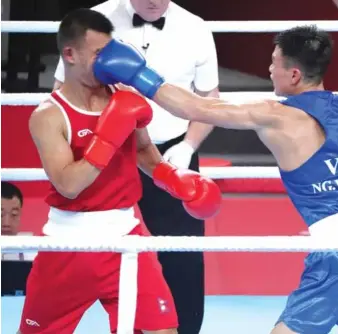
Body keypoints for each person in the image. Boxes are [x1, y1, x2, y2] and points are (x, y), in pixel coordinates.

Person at [92, 24, 338, 334]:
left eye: (275, 62)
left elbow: (194, 109)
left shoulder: (273, 115)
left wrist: (138, 74)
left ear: (295, 74)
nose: (270, 69)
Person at [18, 8, 220, 334]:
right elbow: (68, 184)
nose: (108, 61)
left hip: (126, 235)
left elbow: (143, 151)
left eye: (109, 50)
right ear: (69, 54)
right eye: (98, 53)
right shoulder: (49, 116)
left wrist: (174, 179)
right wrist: (108, 136)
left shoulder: (125, 97)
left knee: (163, 329)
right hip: (69, 244)